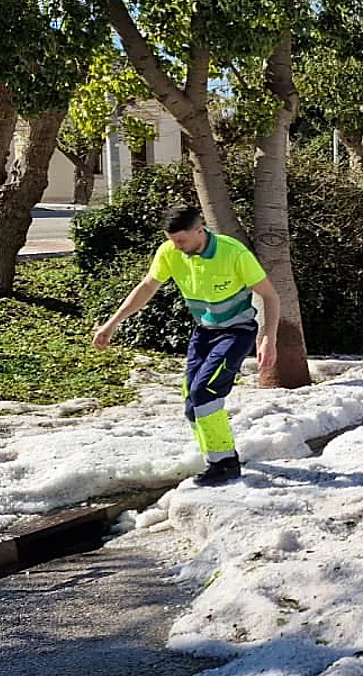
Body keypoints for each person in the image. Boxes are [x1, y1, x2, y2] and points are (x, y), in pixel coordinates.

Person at [93, 206, 280, 486]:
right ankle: (214, 457)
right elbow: (147, 287)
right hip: (204, 332)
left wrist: (268, 338)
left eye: (181, 241)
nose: (176, 247)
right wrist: (112, 323)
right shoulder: (169, 252)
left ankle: (225, 464)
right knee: (191, 403)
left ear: (199, 229)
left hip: (237, 332)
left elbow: (270, 296)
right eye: (171, 240)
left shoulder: (234, 252)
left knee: (204, 392)